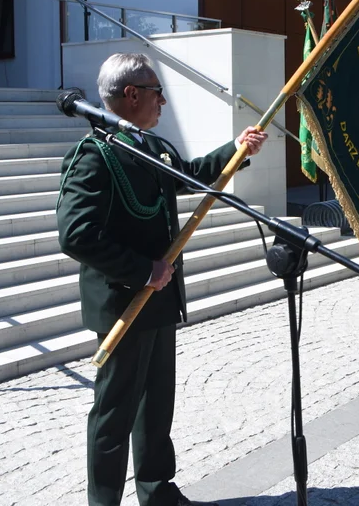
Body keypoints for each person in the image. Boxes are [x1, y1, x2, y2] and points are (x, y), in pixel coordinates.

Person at [57, 53, 267, 506]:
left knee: (155, 407)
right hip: (123, 303)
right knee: (114, 413)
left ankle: (156, 491)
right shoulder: (94, 156)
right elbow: (75, 234)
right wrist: (142, 270)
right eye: (157, 92)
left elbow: (187, 176)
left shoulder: (150, 146)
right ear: (131, 95)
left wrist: (236, 150)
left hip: (157, 299)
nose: (163, 102)